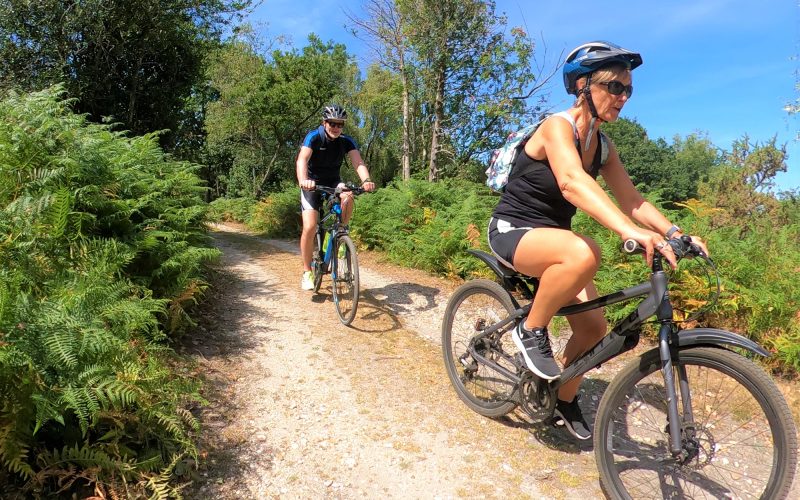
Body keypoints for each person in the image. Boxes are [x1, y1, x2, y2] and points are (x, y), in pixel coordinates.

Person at [487, 41, 708, 440]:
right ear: (583, 86)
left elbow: (633, 200)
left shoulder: (603, 146)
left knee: (593, 329)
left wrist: (674, 233)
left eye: (628, 89)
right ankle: (531, 330)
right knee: (585, 250)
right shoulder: (557, 127)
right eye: (614, 87)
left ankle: (562, 398)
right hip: (513, 231)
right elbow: (572, 182)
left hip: (555, 239)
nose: (622, 97)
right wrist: (628, 231)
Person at [296, 104, 376, 290]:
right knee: (309, 226)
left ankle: (341, 232)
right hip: (312, 183)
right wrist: (303, 180)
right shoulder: (314, 137)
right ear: (324, 123)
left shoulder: (346, 141)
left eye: (340, 124)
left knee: (348, 195)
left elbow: (358, 162)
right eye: (332, 123)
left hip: (333, 182)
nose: (336, 128)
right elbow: (302, 159)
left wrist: (366, 180)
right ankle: (307, 271)